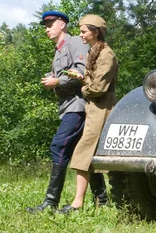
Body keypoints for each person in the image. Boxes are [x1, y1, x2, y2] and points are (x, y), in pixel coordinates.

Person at [26, 11, 107, 212]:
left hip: (78, 106)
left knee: (59, 146)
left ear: (61, 24)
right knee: (84, 151)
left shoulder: (74, 43)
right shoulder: (60, 49)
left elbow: (80, 72)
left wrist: (58, 81)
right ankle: (103, 199)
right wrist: (52, 77)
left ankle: (51, 202)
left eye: (50, 24)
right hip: (68, 106)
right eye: (45, 26)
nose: (46, 29)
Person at [58, 14, 118, 214]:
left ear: (95, 31)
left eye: (84, 31)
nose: (80, 35)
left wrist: (83, 85)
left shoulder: (106, 54)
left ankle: (79, 203)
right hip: (94, 108)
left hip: (102, 108)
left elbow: (98, 88)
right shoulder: (96, 52)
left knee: (86, 152)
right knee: (92, 154)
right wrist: (82, 77)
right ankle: (97, 200)